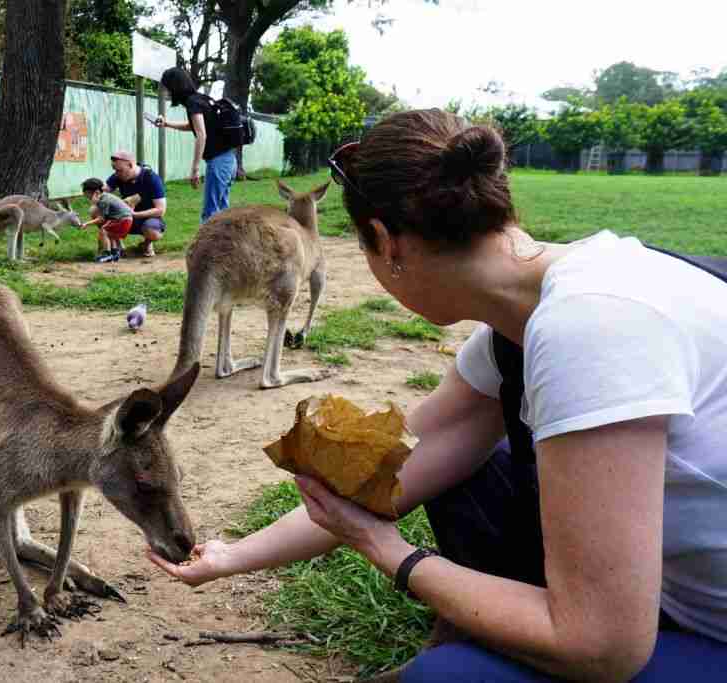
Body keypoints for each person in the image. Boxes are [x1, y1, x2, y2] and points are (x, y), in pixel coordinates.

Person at [149, 109, 727, 681]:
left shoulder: (589, 330)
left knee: (445, 680)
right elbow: (394, 469)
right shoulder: (536, 310)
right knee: (465, 471)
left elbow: (602, 646)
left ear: (383, 240)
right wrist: (233, 556)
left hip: (695, 628)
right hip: (673, 596)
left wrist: (392, 553)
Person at [156, 67, 237, 224]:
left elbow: (201, 134)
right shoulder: (201, 98)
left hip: (219, 162)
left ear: (175, 86)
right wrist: (167, 124)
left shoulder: (193, 103)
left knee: (210, 215)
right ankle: (224, 247)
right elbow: (194, 126)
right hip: (229, 160)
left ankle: (206, 248)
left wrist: (195, 169)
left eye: (167, 88)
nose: (166, 92)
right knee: (222, 211)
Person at [104, 151, 167, 258]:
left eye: (119, 170)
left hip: (147, 219)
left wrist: (134, 214)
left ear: (130, 165)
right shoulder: (118, 176)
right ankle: (118, 246)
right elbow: (103, 192)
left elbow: (161, 210)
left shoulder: (151, 178)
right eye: (114, 170)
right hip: (125, 217)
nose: (116, 174)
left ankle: (146, 244)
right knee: (95, 210)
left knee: (153, 232)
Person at [80, 177, 132, 264]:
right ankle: (115, 252)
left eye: (88, 195)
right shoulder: (106, 196)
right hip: (126, 220)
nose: (87, 198)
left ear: (96, 192)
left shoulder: (103, 201)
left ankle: (107, 254)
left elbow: (101, 219)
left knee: (103, 231)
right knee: (110, 233)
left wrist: (87, 224)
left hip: (122, 220)